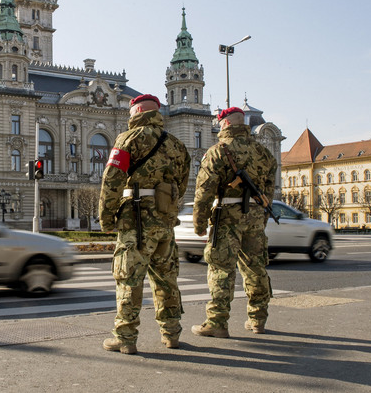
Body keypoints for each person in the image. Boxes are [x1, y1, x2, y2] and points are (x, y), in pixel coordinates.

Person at [99, 94, 191, 354]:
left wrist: (107, 218)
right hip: (165, 219)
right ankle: (171, 333)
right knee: (166, 278)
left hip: (136, 220)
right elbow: (181, 185)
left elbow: (112, 181)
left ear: (135, 112)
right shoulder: (177, 145)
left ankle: (126, 338)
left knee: (129, 277)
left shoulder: (128, 139)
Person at [192, 106, 277, 338]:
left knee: (221, 268)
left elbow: (204, 192)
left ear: (226, 124)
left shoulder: (218, 151)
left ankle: (217, 321)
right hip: (256, 217)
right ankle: (258, 318)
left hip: (227, 217)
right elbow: (269, 191)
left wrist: (199, 224)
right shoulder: (264, 153)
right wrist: (262, 217)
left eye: (220, 124)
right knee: (256, 267)